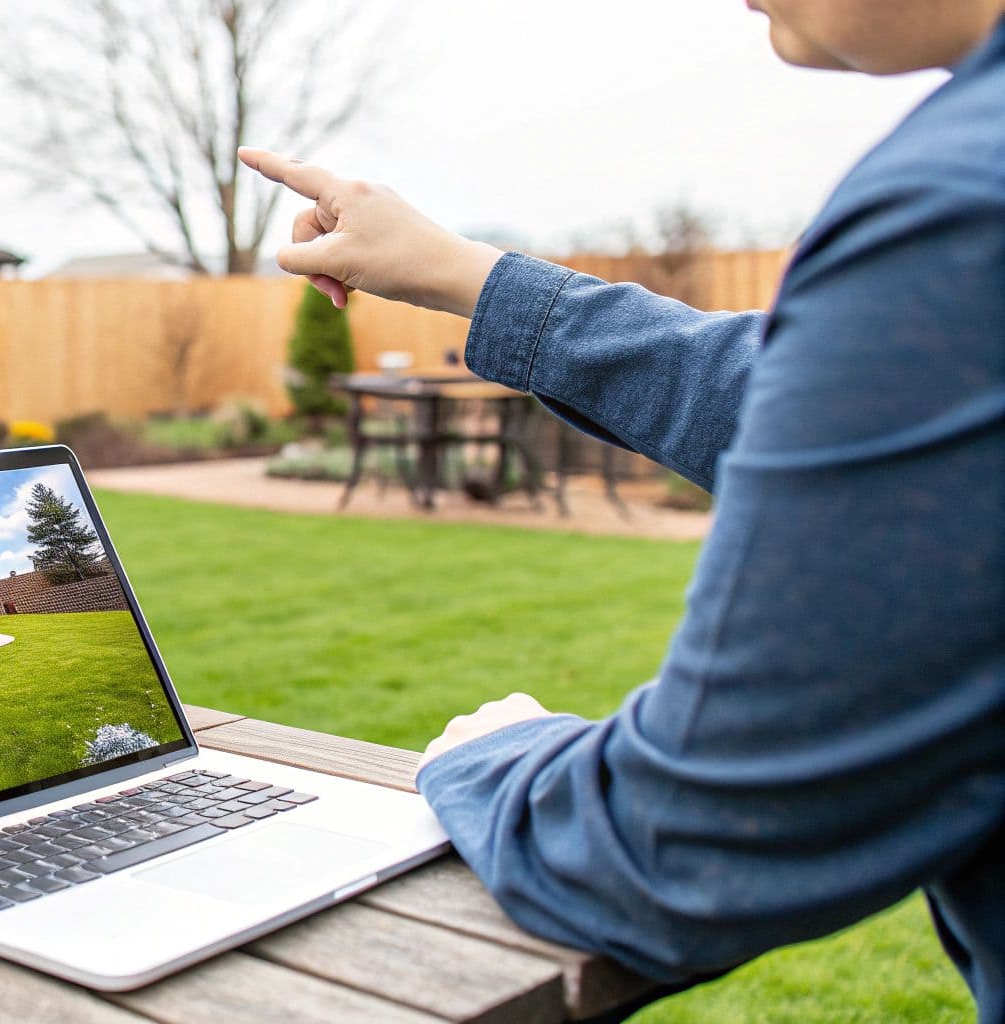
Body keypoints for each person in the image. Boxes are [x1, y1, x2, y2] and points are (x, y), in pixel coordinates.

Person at [239, 1, 1003, 1018]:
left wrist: (492, 756)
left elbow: (678, 840)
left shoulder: (957, 208)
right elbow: (793, 389)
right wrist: (465, 275)